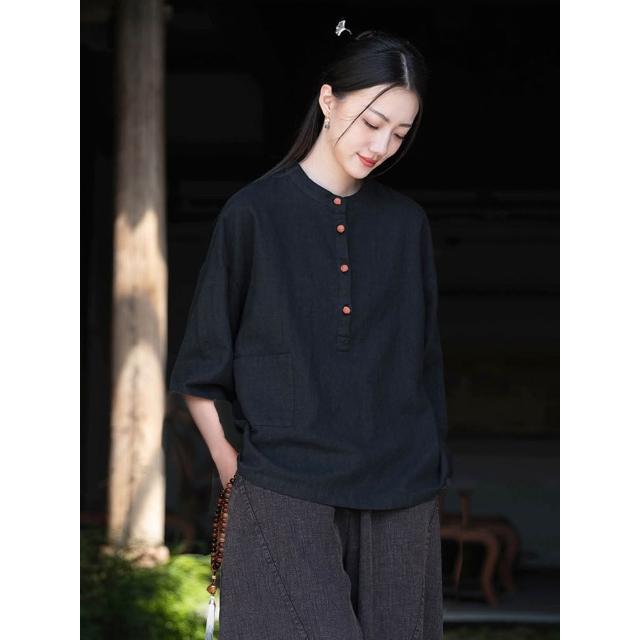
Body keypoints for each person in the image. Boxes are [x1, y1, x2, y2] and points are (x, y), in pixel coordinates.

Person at [169, 20, 451, 640]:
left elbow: (424, 365)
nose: (382, 145)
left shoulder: (407, 225)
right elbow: (200, 367)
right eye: (372, 122)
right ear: (328, 100)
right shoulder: (253, 214)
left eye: (400, 133)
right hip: (282, 488)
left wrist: (431, 472)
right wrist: (233, 471)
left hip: (402, 494)